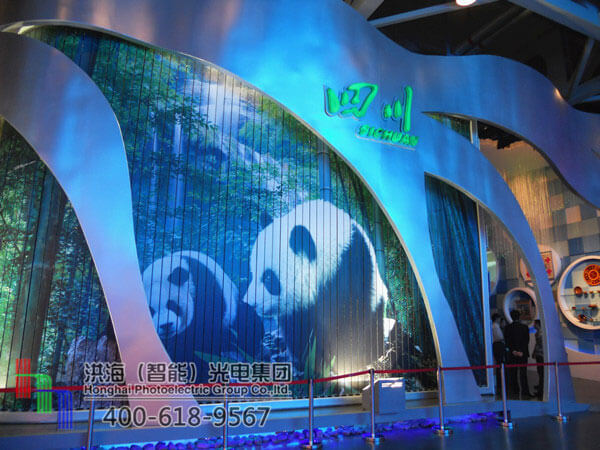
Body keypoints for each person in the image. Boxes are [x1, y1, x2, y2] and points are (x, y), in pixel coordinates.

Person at [504, 309, 532, 399]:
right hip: (523, 353)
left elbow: (507, 341)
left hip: (513, 354)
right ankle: (525, 391)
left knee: (513, 373)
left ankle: (515, 391)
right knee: (523, 373)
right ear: (519, 317)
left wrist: (513, 351)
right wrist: (521, 351)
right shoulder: (524, 327)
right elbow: (526, 341)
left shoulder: (507, 328)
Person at [491, 313, 505, 392]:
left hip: (496, 345)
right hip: (498, 345)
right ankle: (500, 383)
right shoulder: (495, 326)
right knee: (500, 363)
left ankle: (500, 382)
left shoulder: (493, 326)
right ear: (497, 318)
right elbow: (500, 337)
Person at [533, 319, 544, 399]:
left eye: (535, 324)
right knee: (540, 372)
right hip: (539, 354)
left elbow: (539, 345)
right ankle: (540, 386)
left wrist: (535, 352)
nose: (534, 325)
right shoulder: (538, 333)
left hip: (540, 355)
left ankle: (541, 389)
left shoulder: (540, 334)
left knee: (541, 372)